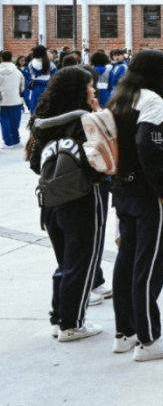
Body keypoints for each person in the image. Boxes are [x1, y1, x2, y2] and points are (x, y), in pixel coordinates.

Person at [107, 50, 163, 359]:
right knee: (149, 264)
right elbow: (148, 145)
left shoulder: (120, 98)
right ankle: (149, 339)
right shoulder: (152, 101)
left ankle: (124, 332)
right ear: (153, 72)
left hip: (123, 191)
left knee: (126, 260)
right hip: (148, 195)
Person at [27, 67, 107, 342]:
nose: (94, 90)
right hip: (82, 197)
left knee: (65, 262)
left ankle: (59, 318)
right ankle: (72, 324)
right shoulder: (85, 121)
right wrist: (98, 115)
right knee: (82, 261)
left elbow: (35, 163)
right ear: (79, 91)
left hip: (49, 198)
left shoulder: (40, 122)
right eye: (89, 87)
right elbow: (102, 161)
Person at [0, 51, 26, 148]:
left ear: (1, 59)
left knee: (4, 121)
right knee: (15, 121)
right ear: (12, 59)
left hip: (2, 101)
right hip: (16, 100)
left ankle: (8, 142)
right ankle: (16, 140)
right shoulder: (18, 72)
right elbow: (22, 88)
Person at [27, 45, 56, 113]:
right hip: (48, 88)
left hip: (36, 89)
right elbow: (55, 77)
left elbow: (29, 76)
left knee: (35, 108)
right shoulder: (51, 64)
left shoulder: (30, 64)